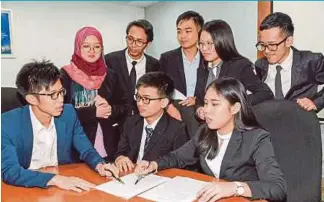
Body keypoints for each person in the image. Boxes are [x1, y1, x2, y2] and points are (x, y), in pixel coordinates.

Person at [135, 77, 287, 202]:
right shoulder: (205, 132)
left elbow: (277, 187)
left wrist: (235, 187)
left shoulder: (257, 138)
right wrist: (153, 164)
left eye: (215, 104)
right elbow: (178, 157)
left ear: (235, 108)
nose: (206, 110)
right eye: (206, 103)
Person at [1, 60, 119, 191]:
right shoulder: (7, 123)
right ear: (31, 99)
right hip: (27, 186)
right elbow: (10, 171)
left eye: (61, 92)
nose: (61, 99)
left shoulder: (68, 113)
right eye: (53, 95)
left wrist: (100, 165)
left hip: (63, 183)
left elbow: (86, 150)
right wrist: (54, 179)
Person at [61, 26, 127, 162]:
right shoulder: (65, 75)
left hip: (107, 141)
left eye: (96, 47)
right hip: (75, 143)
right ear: (78, 47)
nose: (92, 51)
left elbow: (125, 106)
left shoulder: (110, 75)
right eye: (86, 46)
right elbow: (60, 112)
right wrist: (93, 112)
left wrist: (110, 109)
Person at [196, 19, 274, 121]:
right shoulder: (202, 67)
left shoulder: (240, 65)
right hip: (209, 126)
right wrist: (199, 109)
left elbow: (265, 92)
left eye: (209, 43)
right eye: (201, 44)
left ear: (222, 42)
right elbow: (199, 98)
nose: (204, 48)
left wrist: (236, 104)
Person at [114, 72, 189, 172]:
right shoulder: (131, 122)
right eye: (138, 97)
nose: (140, 103)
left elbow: (181, 164)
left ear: (163, 102)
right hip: (131, 176)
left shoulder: (177, 129)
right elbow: (121, 152)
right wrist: (120, 158)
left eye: (146, 99)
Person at [255, 12, 324, 112]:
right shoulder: (260, 65)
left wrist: (316, 103)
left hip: (300, 123)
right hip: (269, 122)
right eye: (262, 45)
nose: (266, 51)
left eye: (272, 45)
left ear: (288, 41)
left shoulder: (311, 61)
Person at [159, 10, 205, 137]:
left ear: (199, 32)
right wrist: (168, 107)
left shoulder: (207, 58)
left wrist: (197, 99)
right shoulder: (167, 58)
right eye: (179, 31)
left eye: (188, 31)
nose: (182, 36)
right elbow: (160, 87)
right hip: (174, 105)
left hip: (201, 106)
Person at [104, 19, 160, 117]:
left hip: (143, 118)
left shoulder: (155, 65)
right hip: (115, 119)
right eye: (130, 39)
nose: (133, 45)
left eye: (139, 41)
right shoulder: (109, 60)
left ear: (148, 43)